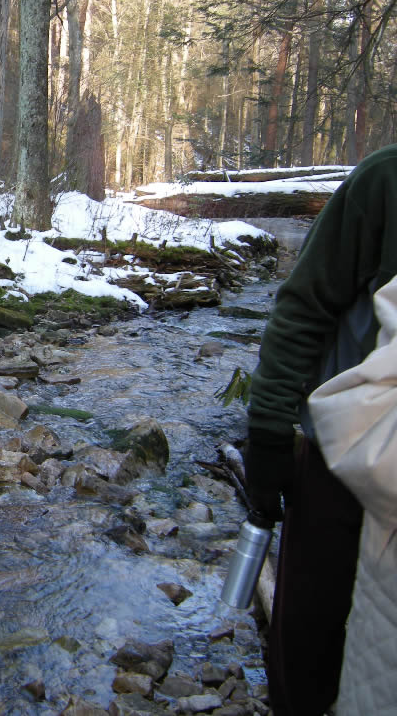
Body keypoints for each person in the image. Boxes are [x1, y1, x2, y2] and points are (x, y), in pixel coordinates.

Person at [246, 143, 397, 715]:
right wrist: (268, 431)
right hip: (345, 452)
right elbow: (304, 308)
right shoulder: (385, 182)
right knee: (309, 631)